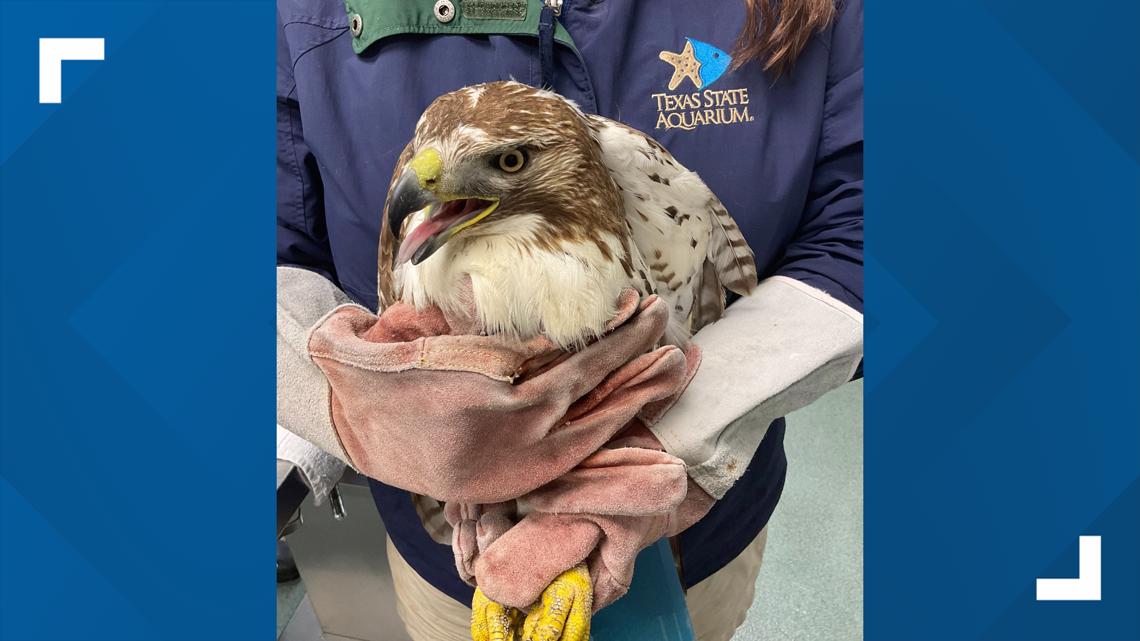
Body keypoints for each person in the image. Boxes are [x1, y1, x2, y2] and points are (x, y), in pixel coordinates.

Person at [276, 0, 863, 639]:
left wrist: (671, 443)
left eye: (505, 163)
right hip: (449, 558)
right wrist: (367, 413)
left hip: (702, 532)